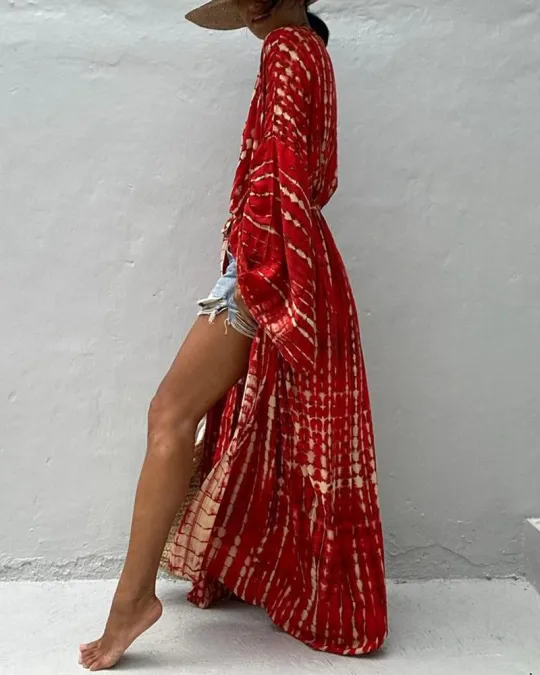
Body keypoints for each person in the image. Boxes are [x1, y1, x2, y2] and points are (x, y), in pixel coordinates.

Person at [79, 0, 387, 670]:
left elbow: (281, 175)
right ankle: (190, 581)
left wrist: (254, 278)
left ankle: (132, 602)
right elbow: (319, 178)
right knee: (214, 420)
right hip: (290, 256)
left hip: (266, 265)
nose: (243, 7)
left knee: (169, 412)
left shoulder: (285, 50)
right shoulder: (314, 53)